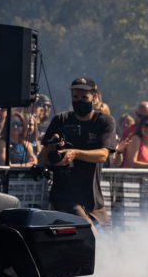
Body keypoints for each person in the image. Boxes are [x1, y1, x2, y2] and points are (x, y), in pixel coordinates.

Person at [38, 77, 115, 226]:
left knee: (109, 243)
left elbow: (103, 155)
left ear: (95, 97)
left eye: (84, 97)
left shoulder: (105, 122)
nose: (79, 101)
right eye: (75, 97)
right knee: (90, 235)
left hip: (94, 200)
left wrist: (75, 153)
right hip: (66, 197)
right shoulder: (60, 119)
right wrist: (54, 149)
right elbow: (43, 158)